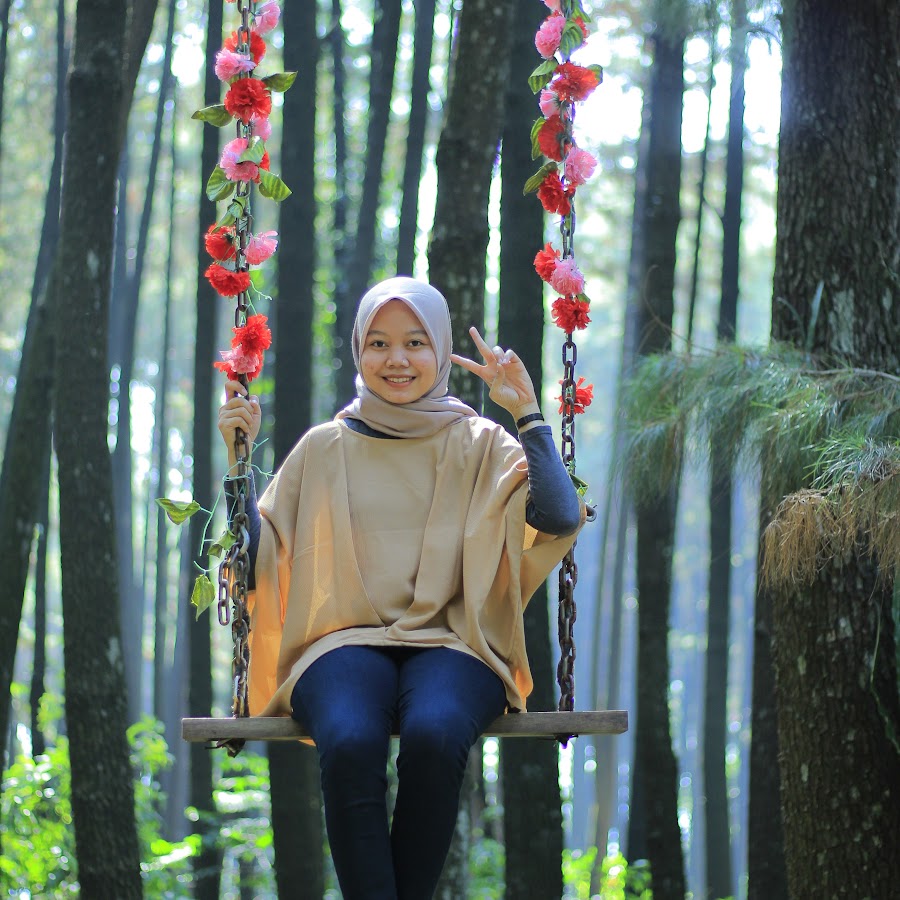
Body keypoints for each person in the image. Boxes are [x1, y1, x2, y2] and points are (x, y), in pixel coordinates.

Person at [218, 276, 584, 899]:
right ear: (358, 350)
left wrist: (526, 413)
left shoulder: (481, 443)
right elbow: (255, 563)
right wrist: (238, 464)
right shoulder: (323, 449)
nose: (397, 359)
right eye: (379, 343)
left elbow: (557, 516)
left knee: (437, 733)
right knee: (349, 740)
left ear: (441, 350)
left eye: (415, 342)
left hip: (456, 641)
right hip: (340, 642)